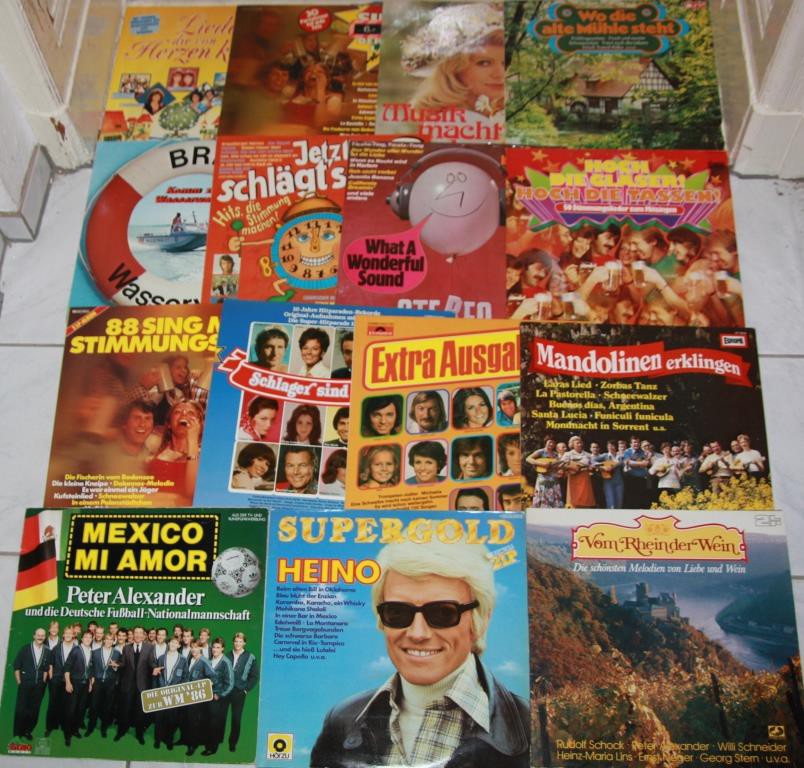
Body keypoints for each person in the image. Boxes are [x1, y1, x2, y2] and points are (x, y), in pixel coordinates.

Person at [310, 538, 529, 767]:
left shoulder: (528, 725)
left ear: (481, 619)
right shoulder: (343, 719)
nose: (418, 633)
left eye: (443, 613)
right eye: (397, 612)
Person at [402, 3, 505, 138]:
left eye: (504, 63)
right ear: (455, 69)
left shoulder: (489, 115)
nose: (500, 73)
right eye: (484, 63)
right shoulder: (460, 124)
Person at [148, 400, 204, 504]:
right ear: (169, 424)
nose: (184, 414)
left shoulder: (205, 457)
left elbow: (192, 493)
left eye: (191, 413)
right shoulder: (153, 453)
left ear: (199, 425)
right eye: (178, 412)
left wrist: (192, 440)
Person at [115, 626, 153, 744]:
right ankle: (122, 730)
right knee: (125, 709)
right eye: (136, 632)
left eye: (140, 633)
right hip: (128, 684)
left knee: (140, 711)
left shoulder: (150, 648)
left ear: (144, 635)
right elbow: (123, 663)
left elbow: (151, 663)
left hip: (142, 685)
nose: (137, 635)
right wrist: (117, 665)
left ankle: (139, 733)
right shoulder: (126, 648)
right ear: (133, 634)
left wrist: (155, 668)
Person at [12, 628, 51, 740]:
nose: (40, 637)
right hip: (25, 684)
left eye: (42, 635)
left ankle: (27, 731)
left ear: (45, 637)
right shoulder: (25, 649)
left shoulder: (47, 651)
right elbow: (16, 666)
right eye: (38, 635)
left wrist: (43, 682)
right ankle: (17, 734)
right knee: (21, 709)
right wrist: (19, 682)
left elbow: (46, 669)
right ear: (34, 636)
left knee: (34, 710)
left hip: (39, 686)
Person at [152, 636, 188, 749]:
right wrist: (155, 690)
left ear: (179, 645)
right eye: (171, 642)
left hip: (174, 693)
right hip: (161, 691)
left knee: (171, 718)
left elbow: (185, 677)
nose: (173, 644)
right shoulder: (161, 658)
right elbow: (156, 675)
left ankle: (169, 740)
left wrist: (179, 691)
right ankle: (157, 739)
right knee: (159, 718)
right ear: (168, 643)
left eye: (175, 643)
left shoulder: (183, 660)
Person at [226, 632, 259, 753]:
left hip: (239, 692)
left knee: (236, 719)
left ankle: (232, 743)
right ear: (233, 642)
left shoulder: (250, 657)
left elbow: (255, 676)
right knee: (219, 717)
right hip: (225, 691)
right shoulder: (227, 655)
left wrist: (246, 689)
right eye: (236, 641)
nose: (238, 643)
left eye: (240, 641)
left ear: (244, 643)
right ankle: (215, 742)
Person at [202, 639, 234, 756]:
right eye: (214, 647)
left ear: (222, 649)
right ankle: (208, 743)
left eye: (218, 647)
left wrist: (219, 695)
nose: (215, 649)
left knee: (214, 723)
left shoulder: (226, 662)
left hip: (217, 697)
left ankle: (212, 747)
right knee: (207, 721)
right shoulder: (209, 660)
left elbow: (230, 683)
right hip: (207, 696)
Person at [88, 632, 122, 737]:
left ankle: (104, 728)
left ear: (114, 641)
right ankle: (91, 727)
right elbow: (91, 667)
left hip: (110, 683)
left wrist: (115, 667)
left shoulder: (117, 653)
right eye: (107, 639)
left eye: (111, 639)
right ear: (104, 640)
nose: (109, 641)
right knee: (94, 706)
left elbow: (120, 668)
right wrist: (91, 680)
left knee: (107, 707)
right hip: (97, 682)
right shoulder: (95, 652)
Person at [64, 629, 95, 745]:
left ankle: (75, 730)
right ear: (82, 639)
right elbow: (67, 667)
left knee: (81, 709)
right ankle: (67, 735)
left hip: (85, 684)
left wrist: (90, 684)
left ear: (92, 639)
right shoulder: (76, 650)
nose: (88, 639)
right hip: (74, 683)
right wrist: (68, 682)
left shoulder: (91, 651)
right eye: (86, 637)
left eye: (90, 637)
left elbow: (90, 669)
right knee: (71, 710)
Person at [183, 641, 214, 757]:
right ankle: (191, 742)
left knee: (195, 721)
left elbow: (213, 677)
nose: (193, 649)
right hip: (189, 695)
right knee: (190, 720)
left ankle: (193, 745)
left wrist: (203, 688)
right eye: (192, 647)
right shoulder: (191, 659)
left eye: (196, 647)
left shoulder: (204, 661)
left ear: (200, 648)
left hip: (198, 697)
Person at [45, 626, 76, 737]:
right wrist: (52, 677)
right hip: (56, 680)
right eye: (66, 633)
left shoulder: (77, 649)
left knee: (67, 705)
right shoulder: (56, 648)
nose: (68, 635)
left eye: (70, 633)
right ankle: (50, 727)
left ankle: (64, 726)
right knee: (53, 704)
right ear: (63, 635)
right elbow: (50, 664)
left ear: (74, 635)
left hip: (70, 681)